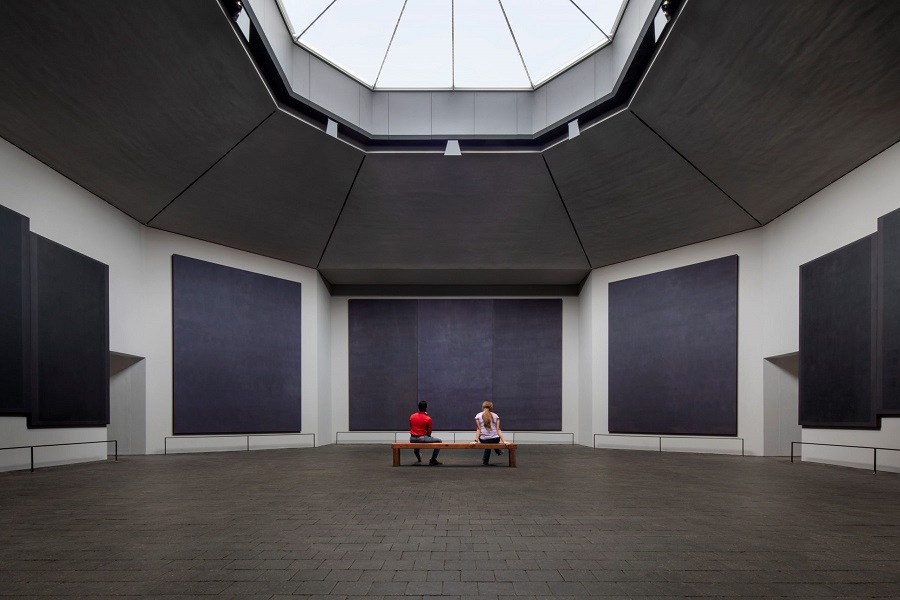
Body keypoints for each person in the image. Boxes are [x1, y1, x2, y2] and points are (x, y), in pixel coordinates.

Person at [474, 400, 508, 465]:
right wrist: (504, 441)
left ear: (482, 407)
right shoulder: (496, 416)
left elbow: (478, 429)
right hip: (495, 439)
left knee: (488, 443)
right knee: (491, 442)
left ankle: (485, 460)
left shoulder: (478, 416)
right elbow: (498, 430)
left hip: (483, 440)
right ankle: (498, 451)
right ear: (491, 407)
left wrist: (476, 440)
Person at [409, 400, 442, 465]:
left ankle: (419, 459)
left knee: (416, 443)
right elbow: (429, 433)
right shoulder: (428, 418)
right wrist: (426, 436)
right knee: (439, 441)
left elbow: (412, 427)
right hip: (421, 438)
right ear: (426, 408)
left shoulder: (412, 416)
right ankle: (433, 459)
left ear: (418, 408)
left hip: (412, 439)